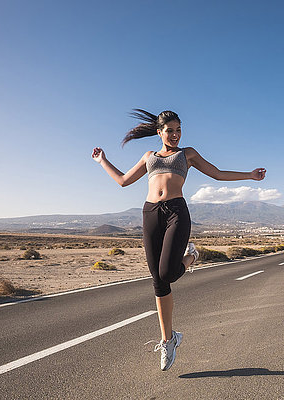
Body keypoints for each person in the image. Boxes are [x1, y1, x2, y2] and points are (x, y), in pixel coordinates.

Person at [91, 109, 266, 371]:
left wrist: (249, 175)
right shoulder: (149, 157)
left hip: (176, 212)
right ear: (159, 132)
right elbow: (123, 181)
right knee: (158, 281)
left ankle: (191, 255)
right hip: (150, 212)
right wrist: (103, 161)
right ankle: (168, 340)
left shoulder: (188, 154)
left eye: (178, 130)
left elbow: (217, 173)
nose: (175, 135)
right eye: (170, 130)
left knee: (167, 273)